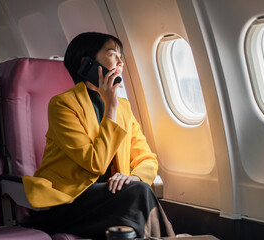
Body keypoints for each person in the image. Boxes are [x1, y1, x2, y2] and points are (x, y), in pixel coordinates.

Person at [23, 32, 175, 239]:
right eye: (113, 54)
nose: (121, 62)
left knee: (137, 191)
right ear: (87, 63)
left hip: (110, 199)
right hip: (68, 204)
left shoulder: (124, 107)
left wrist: (132, 177)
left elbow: (147, 158)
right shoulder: (63, 105)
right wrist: (110, 107)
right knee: (139, 194)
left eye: (121, 56)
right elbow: (95, 163)